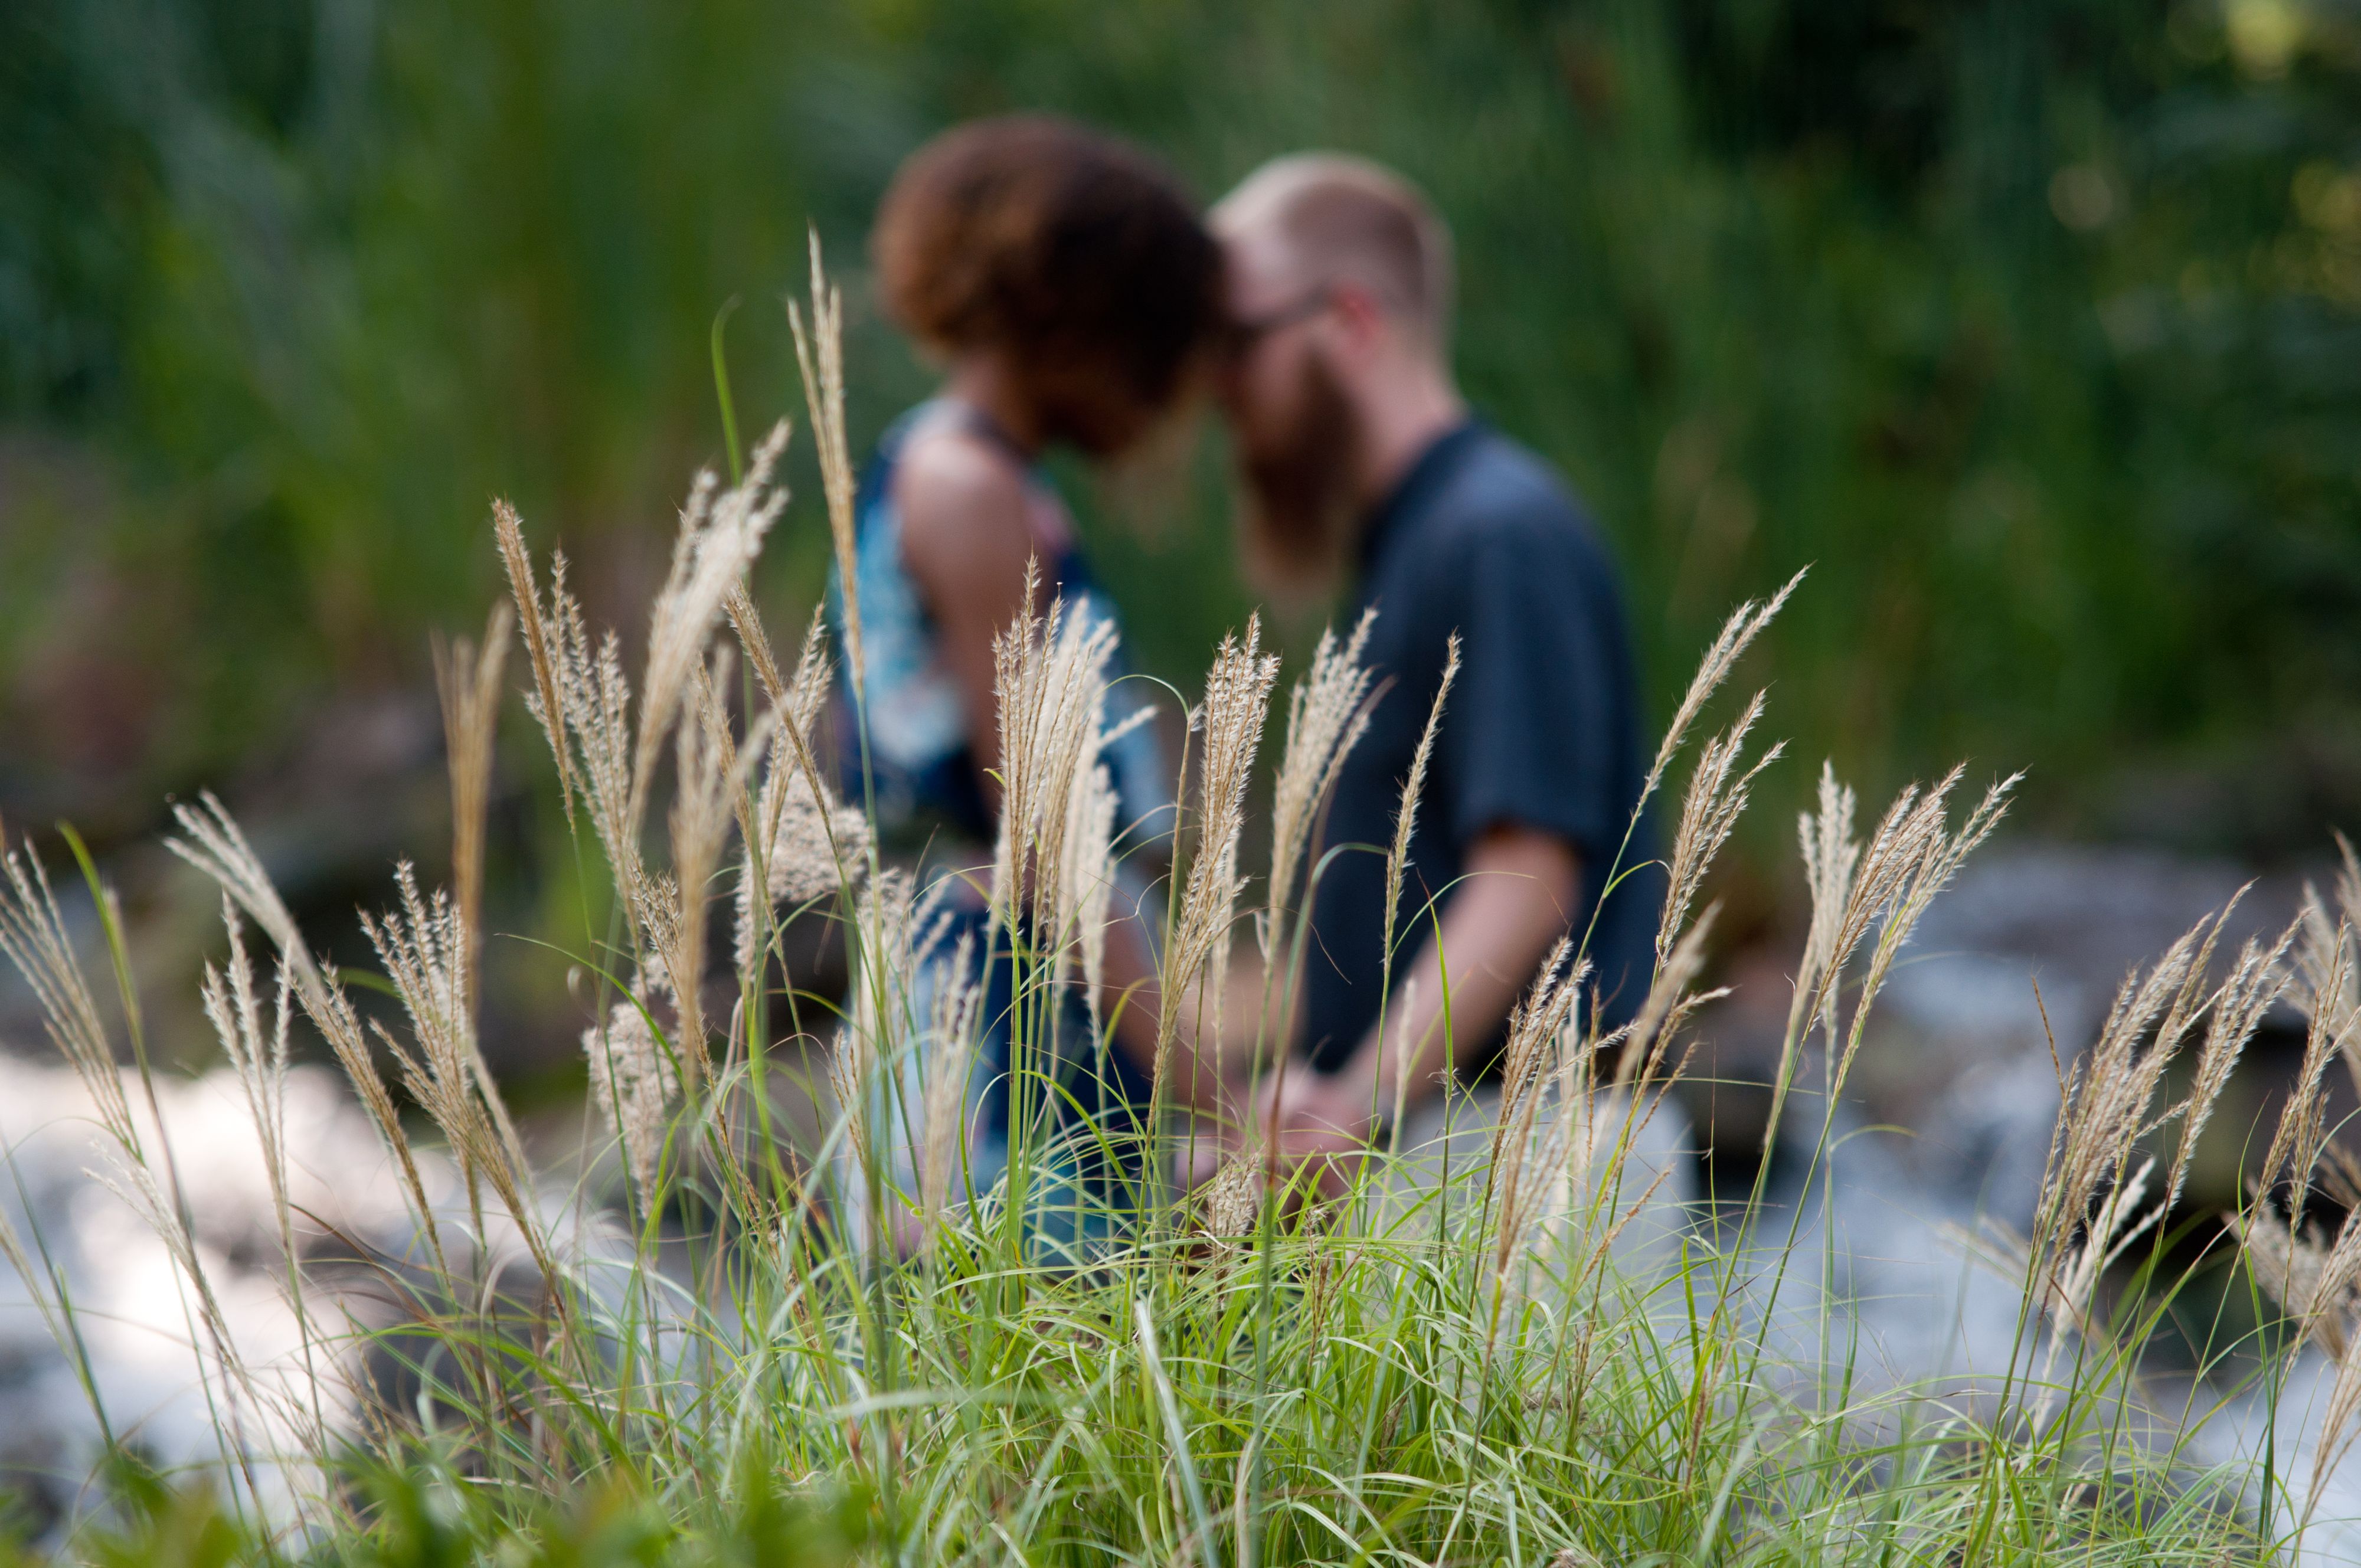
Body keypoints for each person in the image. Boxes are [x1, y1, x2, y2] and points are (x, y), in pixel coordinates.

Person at [1209, 153, 1662, 1193]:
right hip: (1457, 1153)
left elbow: (1527, 876)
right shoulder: (1418, 542)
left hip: (1527, 1165)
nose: (1216, 388)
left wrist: (1349, 1109)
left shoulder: (1500, 533)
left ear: (1351, 321)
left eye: (1238, 343)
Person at [835, 116, 1227, 1239]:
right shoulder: (967, 490)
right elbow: (1045, 840)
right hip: (997, 1006)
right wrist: (1215, 1090)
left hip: (1032, 986)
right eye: (1158, 341)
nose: (1172, 389)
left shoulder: (982, 477)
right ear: (1080, 318)